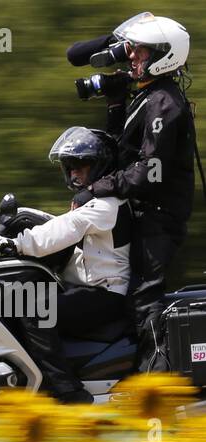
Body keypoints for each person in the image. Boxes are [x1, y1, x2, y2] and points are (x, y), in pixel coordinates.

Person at [74, 14, 198, 373]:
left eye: (140, 51)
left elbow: (148, 172)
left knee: (145, 298)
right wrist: (114, 105)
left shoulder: (164, 104)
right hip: (141, 214)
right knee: (124, 297)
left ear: (162, 54)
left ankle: (155, 385)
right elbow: (120, 155)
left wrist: (94, 189)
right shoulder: (147, 96)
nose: (131, 57)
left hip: (158, 218)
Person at [0, 127, 132, 404]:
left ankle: (68, 391)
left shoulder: (107, 204)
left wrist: (16, 244)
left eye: (80, 166)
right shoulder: (96, 202)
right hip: (90, 289)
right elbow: (56, 225)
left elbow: (65, 229)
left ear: (100, 165)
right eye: (69, 167)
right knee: (27, 289)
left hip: (106, 296)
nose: (74, 174)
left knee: (34, 309)